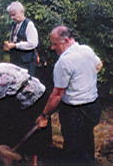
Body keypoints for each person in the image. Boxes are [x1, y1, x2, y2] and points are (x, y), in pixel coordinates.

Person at [36, 26, 103, 165]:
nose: (52, 48)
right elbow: (99, 65)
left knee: (73, 148)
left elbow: (57, 95)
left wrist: (44, 115)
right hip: (93, 106)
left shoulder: (63, 62)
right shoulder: (86, 49)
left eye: (55, 44)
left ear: (66, 40)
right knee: (87, 141)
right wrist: (85, 79)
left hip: (75, 111)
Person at [3, 1, 38, 76]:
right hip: (16, 61)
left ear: (21, 12)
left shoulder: (29, 25)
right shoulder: (14, 25)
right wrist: (9, 46)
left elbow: (33, 44)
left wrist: (16, 45)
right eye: (11, 15)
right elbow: (15, 40)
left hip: (26, 63)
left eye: (14, 15)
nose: (12, 17)